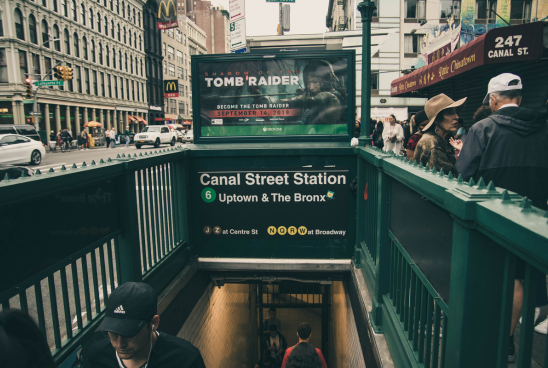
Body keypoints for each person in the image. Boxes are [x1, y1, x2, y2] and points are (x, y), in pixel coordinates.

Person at [453, 73, 548, 363]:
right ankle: (506, 340)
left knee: (490, 275)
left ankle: (488, 336)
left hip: (489, 217)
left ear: (493, 100)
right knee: (519, 277)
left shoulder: (482, 129)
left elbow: (463, 174)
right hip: (533, 218)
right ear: (519, 97)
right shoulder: (543, 129)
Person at [84, 282, 206, 368]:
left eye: (129, 334)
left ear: (154, 323)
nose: (119, 344)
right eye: (113, 334)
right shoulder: (97, 355)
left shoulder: (185, 359)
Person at [413, 94, 466, 175]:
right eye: (450, 113)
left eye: (456, 112)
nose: (456, 117)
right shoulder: (433, 143)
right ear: (437, 120)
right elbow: (451, 176)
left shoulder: (439, 138)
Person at [284, 60, 346, 125]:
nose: (311, 87)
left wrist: (285, 102)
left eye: (315, 82)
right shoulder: (314, 96)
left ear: (329, 77)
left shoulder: (332, 96)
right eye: (308, 83)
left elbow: (317, 100)